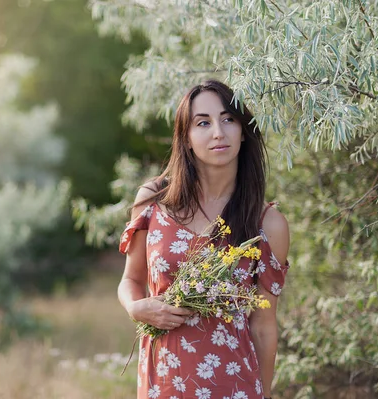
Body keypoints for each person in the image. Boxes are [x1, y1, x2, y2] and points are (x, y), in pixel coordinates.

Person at [118, 79, 290, 399]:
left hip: (234, 386)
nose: (218, 133)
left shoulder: (267, 222)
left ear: (243, 129)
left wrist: (264, 394)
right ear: (186, 137)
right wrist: (135, 307)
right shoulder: (154, 199)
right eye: (203, 122)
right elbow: (131, 279)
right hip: (162, 384)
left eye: (228, 119)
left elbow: (264, 326)